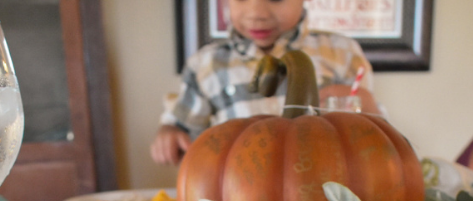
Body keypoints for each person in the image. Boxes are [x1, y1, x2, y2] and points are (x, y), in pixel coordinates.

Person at [151, 0, 381, 166]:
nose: (257, 12)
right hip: (238, 194)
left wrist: (365, 104)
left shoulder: (341, 52)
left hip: (326, 182)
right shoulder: (207, 64)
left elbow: (377, 138)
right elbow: (184, 131)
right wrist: (170, 133)